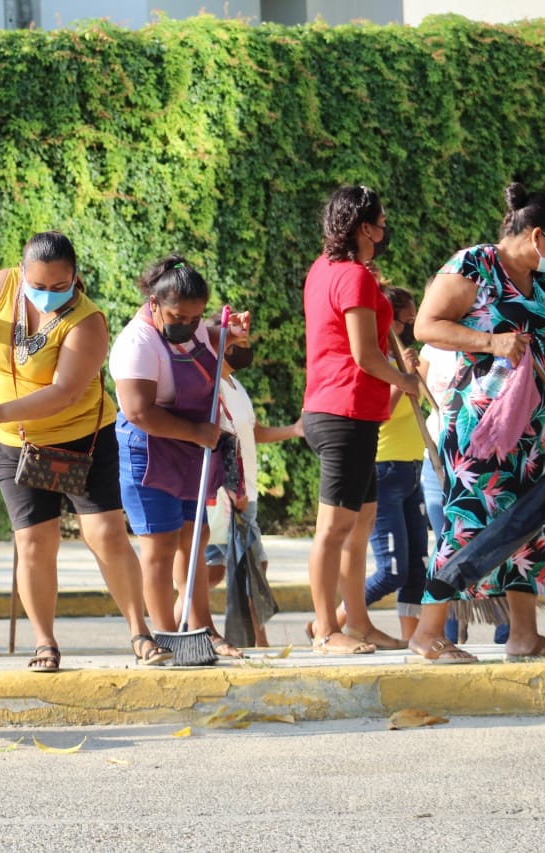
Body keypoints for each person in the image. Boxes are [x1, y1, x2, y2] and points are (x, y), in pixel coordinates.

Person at [0, 231, 171, 672]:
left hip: (83, 439)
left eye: (58, 286)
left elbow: (64, 392)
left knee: (105, 535)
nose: (47, 295)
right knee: (33, 543)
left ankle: (140, 633)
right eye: (38, 285)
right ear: (23, 272)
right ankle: (45, 642)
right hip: (15, 442)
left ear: (75, 277)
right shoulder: (3, 286)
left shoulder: (88, 321)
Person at [408, 183, 545, 664]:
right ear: (537, 235)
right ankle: (428, 633)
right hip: (478, 425)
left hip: (533, 431)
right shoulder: (474, 265)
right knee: (468, 521)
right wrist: (492, 343)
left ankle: (524, 636)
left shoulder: (544, 286)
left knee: (530, 528)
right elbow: (426, 326)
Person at [110, 255, 249, 659]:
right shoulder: (136, 342)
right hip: (150, 451)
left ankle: (203, 630)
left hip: (192, 450)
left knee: (196, 540)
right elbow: (139, 411)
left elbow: (227, 365)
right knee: (160, 545)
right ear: (154, 304)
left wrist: (234, 338)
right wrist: (195, 433)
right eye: (177, 316)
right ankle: (166, 637)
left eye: (196, 317)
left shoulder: (194, 332)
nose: (187, 325)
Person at [302, 185, 420, 655]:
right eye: (381, 221)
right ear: (364, 227)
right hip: (342, 412)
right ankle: (327, 629)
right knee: (333, 528)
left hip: (353, 413)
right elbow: (366, 354)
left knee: (361, 523)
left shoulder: (328, 268)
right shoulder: (351, 276)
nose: (385, 229)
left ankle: (360, 623)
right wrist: (406, 382)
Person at [201, 314, 303, 649]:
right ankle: (257, 641)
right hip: (227, 494)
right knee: (249, 564)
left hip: (244, 490)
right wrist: (231, 488)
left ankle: (183, 621)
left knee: (221, 570)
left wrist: (293, 430)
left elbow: (252, 433)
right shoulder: (212, 388)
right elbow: (216, 444)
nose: (245, 349)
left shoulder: (234, 385)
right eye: (239, 343)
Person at [353, 285, 428, 642]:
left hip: (412, 470)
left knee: (416, 567)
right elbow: (377, 413)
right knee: (392, 570)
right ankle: (337, 620)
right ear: (389, 321)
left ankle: (413, 638)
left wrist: (414, 374)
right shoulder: (377, 360)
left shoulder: (400, 360)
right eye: (406, 321)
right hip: (384, 471)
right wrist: (402, 379)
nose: (410, 328)